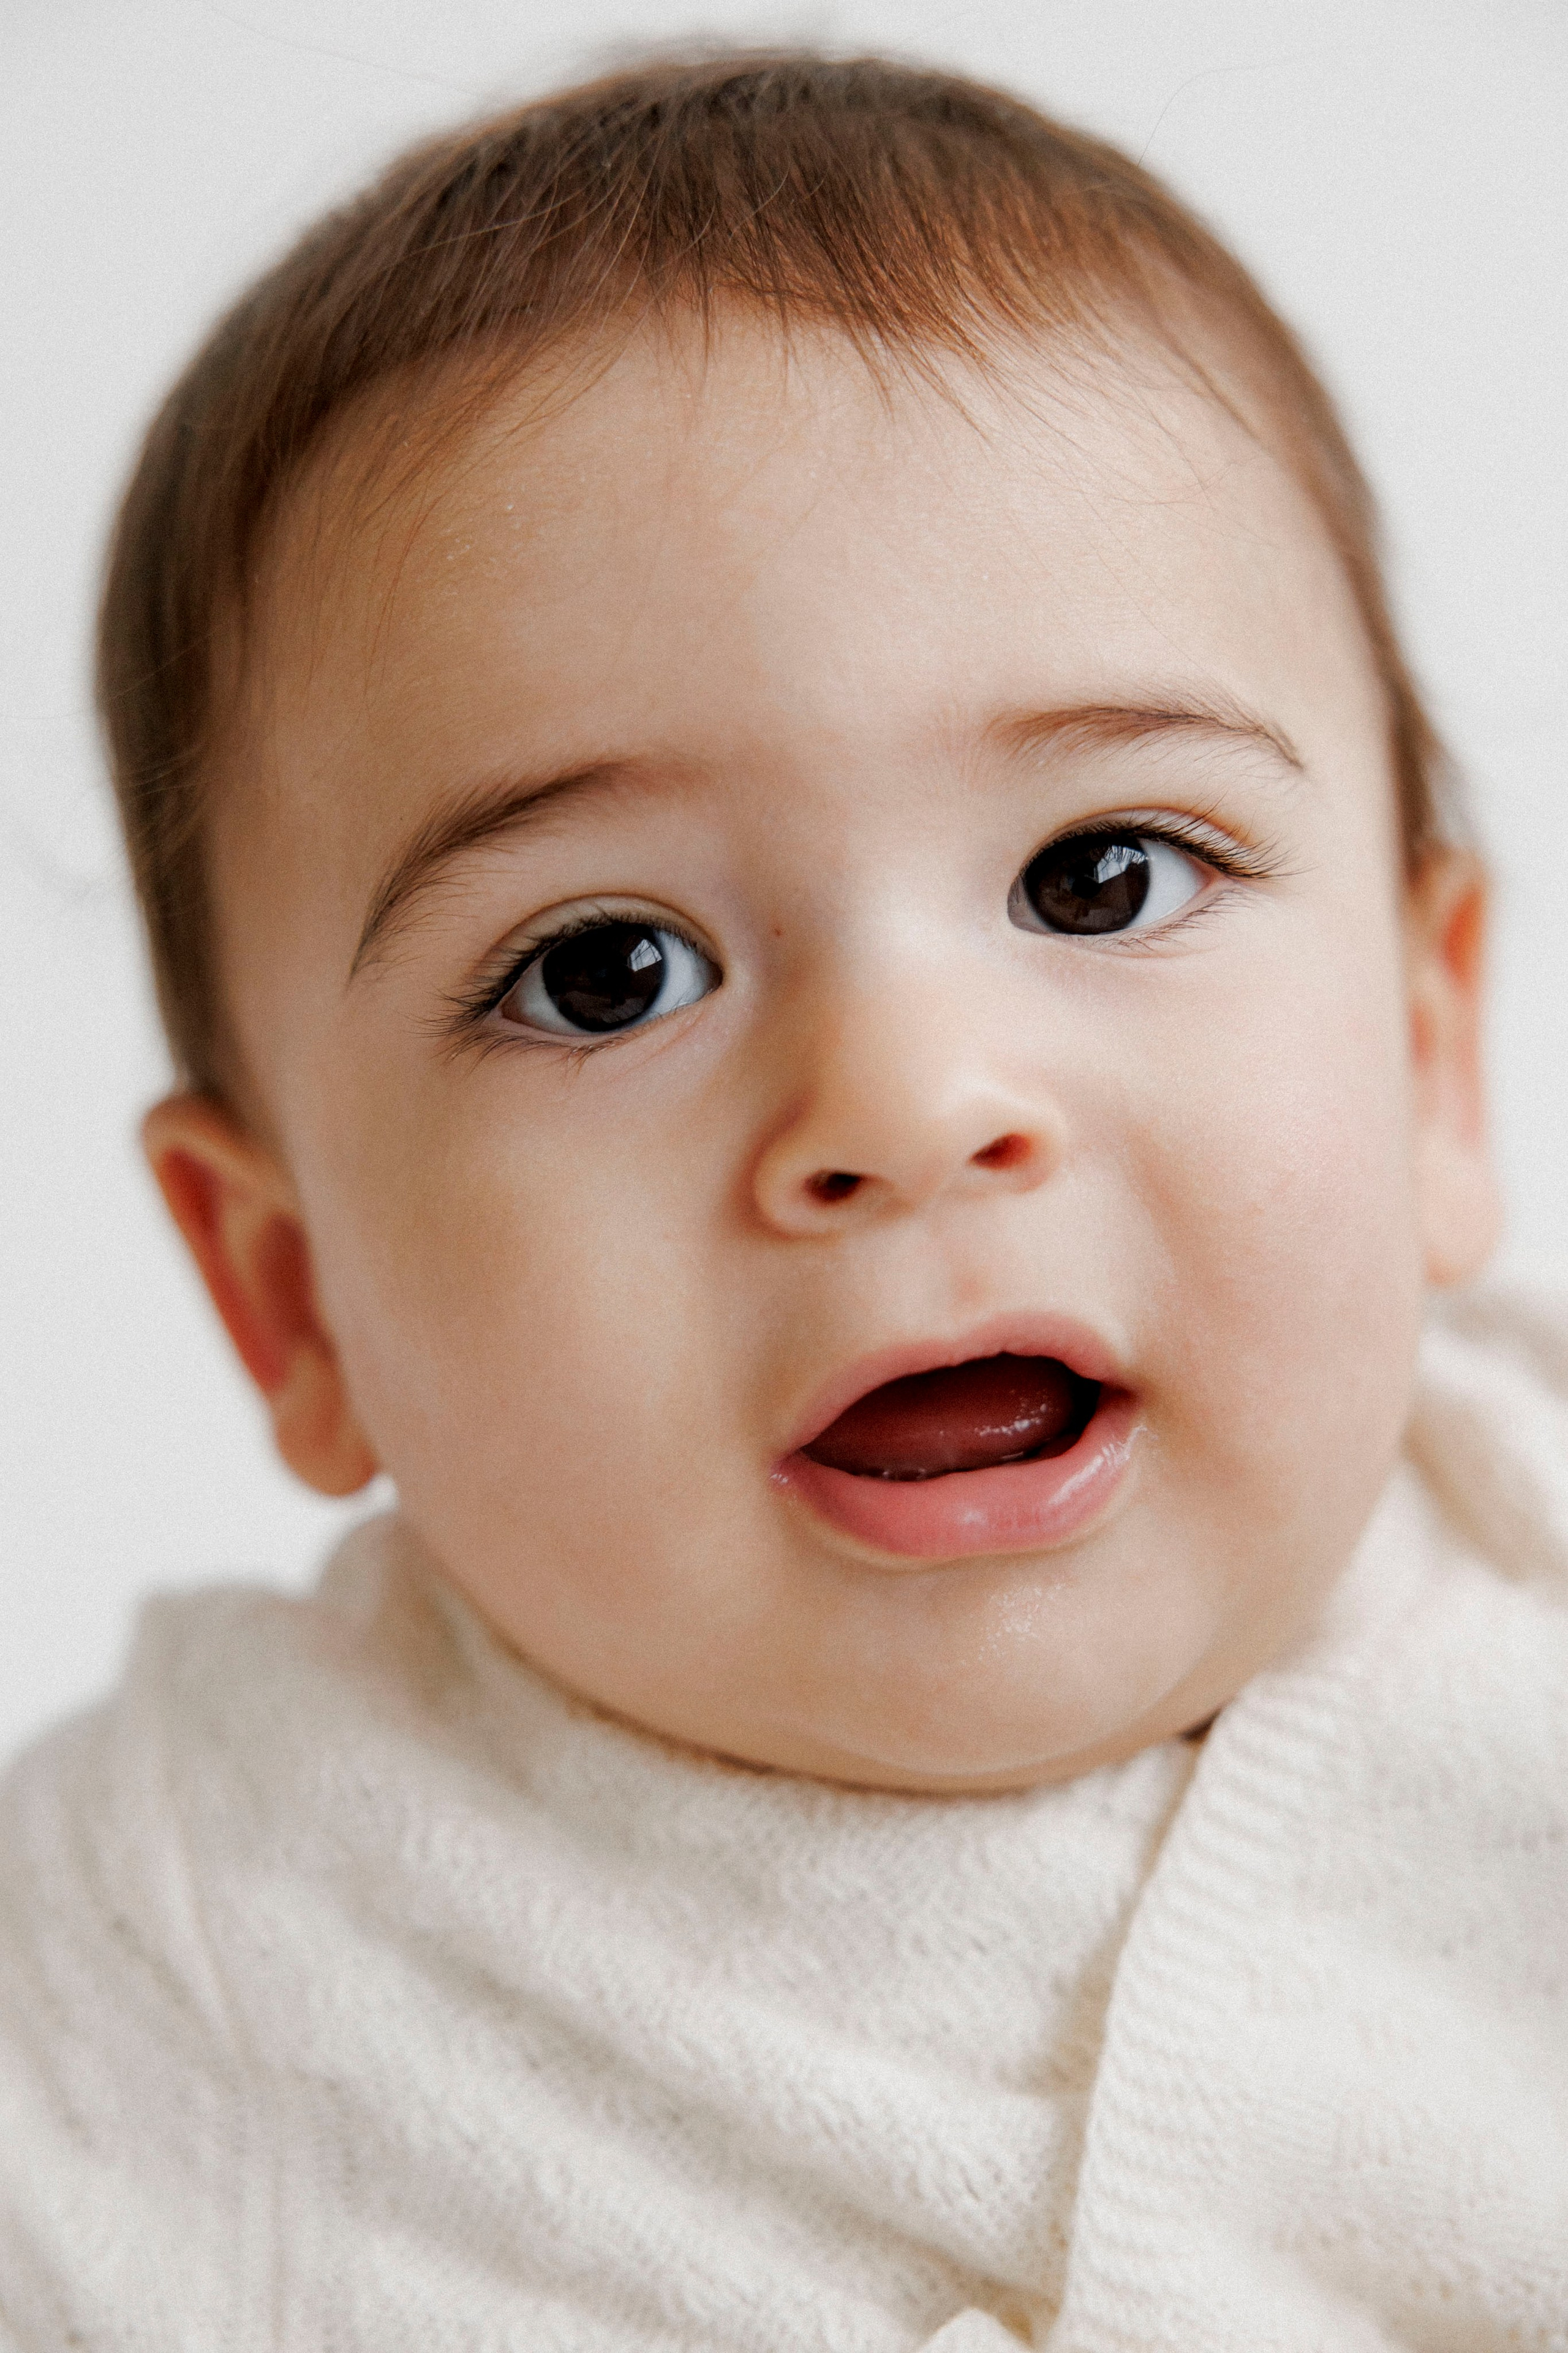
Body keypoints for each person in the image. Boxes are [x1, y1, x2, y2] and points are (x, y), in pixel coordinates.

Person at [2, 51, 1564, 2351]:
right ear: (290, 1289)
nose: (910, 1106)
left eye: (1099, 873)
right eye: (606, 971)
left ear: (1434, 1058)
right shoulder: (167, 1946)